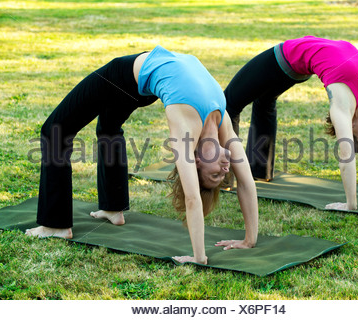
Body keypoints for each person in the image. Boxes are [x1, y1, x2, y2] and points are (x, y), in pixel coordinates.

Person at [25, 45, 259, 265]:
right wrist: (249, 240)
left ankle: (55, 224)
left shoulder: (185, 129)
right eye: (223, 175)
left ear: (197, 161)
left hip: (123, 75)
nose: (226, 170)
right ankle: (113, 209)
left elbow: (192, 198)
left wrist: (199, 257)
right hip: (142, 85)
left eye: (215, 175)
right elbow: (247, 183)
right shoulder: (223, 122)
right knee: (109, 128)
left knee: (54, 130)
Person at [224, 36, 358, 211]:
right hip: (300, 61)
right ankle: (259, 171)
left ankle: (222, 179)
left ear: (352, 126)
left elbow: (345, 154)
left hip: (286, 57)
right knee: (264, 101)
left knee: (229, 104)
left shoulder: (341, 107)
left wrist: (351, 204)